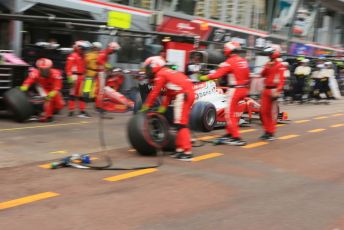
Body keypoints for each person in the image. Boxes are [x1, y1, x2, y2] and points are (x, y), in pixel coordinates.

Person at [140, 56, 195, 161]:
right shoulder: (166, 72)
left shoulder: (161, 74)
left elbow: (155, 92)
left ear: (155, 66)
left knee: (181, 124)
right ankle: (179, 149)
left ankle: (187, 152)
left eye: (148, 68)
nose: (147, 71)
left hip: (183, 95)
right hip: (186, 93)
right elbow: (169, 93)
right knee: (178, 123)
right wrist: (163, 108)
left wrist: (146, 105)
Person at [199, 41, 250, 146]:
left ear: (227, 50)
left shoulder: (230, 62)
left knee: (228, 114)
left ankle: (236, 137)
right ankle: (229, 133)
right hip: (243, 89)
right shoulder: (243, 61)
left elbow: (217, 74)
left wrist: (204, 77)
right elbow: (248, 76)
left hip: (235, 90)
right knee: (233, 113)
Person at [20, 58, 64, 122]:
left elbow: (57, 87)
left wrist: (53, 93)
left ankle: (49, 111)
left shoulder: (56, 74)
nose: (44, 70)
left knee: (60, 105)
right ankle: (48, 116)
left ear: (50, 68)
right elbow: (28, 81)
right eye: (42, 69)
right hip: (42, 87)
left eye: (46, 69)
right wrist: (25, 86)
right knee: (48, 99)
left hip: (53, 89)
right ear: (38, 68)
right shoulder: (34, 73)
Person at [259, 46, 286, 141]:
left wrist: (278, 91)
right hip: (266, 89)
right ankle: (267, 131)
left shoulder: (280, 66)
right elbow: (262, 74)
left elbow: (282, 81)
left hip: (274, 90)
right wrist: (267, 67)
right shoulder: (268, 64)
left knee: (272, 113)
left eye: (270, 54)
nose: (268, 56)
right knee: (263, 112)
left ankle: (271, 132)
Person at [66, 40, 90, 118]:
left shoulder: (84, 56)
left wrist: (86, 76)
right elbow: (68, 68)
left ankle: (82, 111)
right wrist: (70, 78)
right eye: (83, 49)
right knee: (72, 95)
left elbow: (85, 67)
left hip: (82, 76)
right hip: (74, 76)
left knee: (82, 95)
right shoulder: (72, 56)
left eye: (85, 49)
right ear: (78, 48)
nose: (84, 51)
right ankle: (71, 111)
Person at [95, 42, 121, 111]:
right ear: (111, 48)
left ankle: (99, 105)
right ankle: (99, 107)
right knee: (100, 91)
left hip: (101, 73)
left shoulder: (106, 54)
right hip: (100, 73)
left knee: (101, 90)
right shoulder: (103, 53)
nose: (114, 52)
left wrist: (108, 68)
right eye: (114, 50)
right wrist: (107, 65)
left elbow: (102, 63)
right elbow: (98, 61)